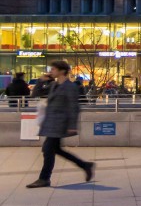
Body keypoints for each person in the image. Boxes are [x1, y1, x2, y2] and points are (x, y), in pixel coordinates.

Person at [26, 60, 95, 188]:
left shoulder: (70, 87)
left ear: (62, 71)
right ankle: (85, 165)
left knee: (48, 149)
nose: (51, 71)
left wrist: (72, 125)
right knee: (54, 149)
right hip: (51, 122)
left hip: (60, 123)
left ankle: (44, 178)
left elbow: (74, 107)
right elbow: (35, 94)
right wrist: (41, 80)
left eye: (53, 69)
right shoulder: (53, 85)